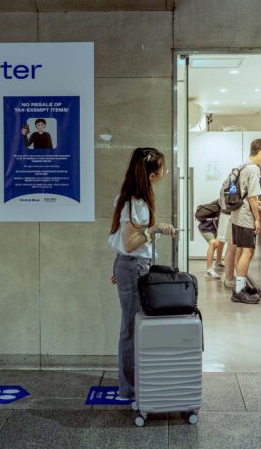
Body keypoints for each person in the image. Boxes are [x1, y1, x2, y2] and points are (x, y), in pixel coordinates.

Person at [107, 147, 175, 402]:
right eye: (162, 169)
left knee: (132, 326)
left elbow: (123, 245)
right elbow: (130, 243)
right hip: (133, 265)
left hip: (128, 266)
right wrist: (154, 229)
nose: (165, 172)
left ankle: (132, 385)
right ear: (151, 175)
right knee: (131, 328)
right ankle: (130, 389)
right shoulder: (137, 203)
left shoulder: (128, 199)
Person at [230, 139, 261, 303]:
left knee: (240, 250)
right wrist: (258, 220)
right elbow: (253, 197)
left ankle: (239, 285)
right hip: (246, 216)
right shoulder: (254, 169)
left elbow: (245, 195)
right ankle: (240, 291)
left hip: (236, 214)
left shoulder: (242, 166)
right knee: (248, 251)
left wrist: (259, 203)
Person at [196, 199, 224, 279]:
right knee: (213, 243)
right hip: (206, 228)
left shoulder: (224, 202)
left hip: (214, 227)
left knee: (221, 241)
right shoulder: (223, 204)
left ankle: (218, 262)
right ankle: (209, 270)